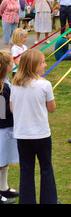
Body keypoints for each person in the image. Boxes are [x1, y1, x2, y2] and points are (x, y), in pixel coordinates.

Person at [10, 50, 58, 204]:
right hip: (41, 135)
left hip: (22, 135)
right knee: (46, 168)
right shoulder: (45, 85)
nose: (45, 64)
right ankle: (49, 201)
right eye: (43, 62)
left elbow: (12, 108)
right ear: (34, 65)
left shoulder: (15, 85)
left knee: (26, 170)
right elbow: (51, 108)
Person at [0, 51, 19, 204]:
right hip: (2, 129)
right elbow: (1, 114)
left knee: (4, 159)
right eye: (11, 63)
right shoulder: (1, 88)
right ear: (5, 66)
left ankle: (3, 187)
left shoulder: (5, 83)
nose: (13, 64)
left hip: (7, 128)